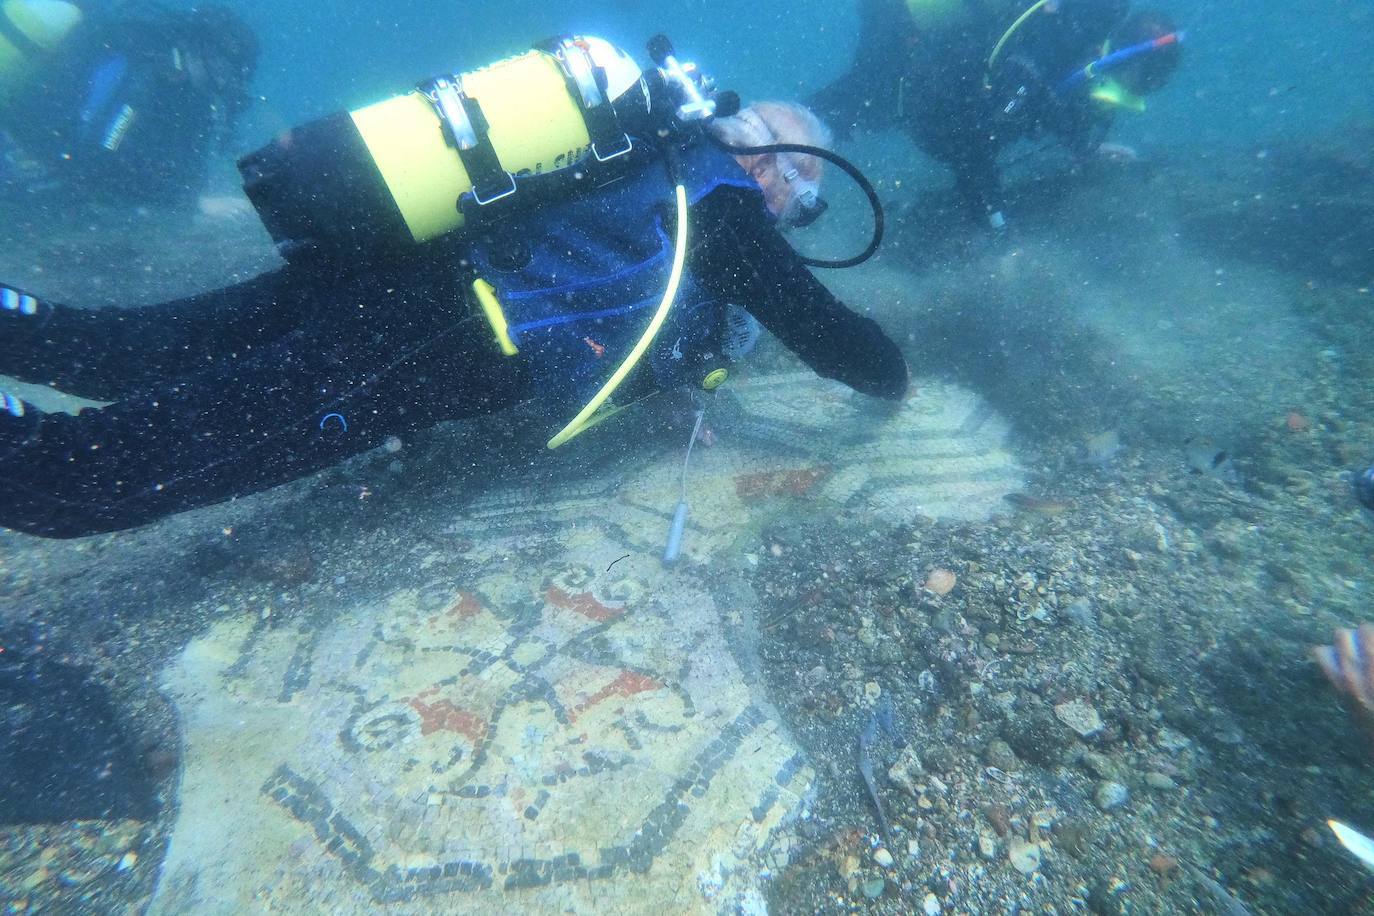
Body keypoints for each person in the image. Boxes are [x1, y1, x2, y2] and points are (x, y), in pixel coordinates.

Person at [0, 37, 909, 539]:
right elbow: (830, 337)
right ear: (773, 164)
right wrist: (899, 380)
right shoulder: (720, 205)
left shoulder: (637, 155)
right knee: (78, 482)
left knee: (123, 348)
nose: (798, 206)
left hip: (398, 262)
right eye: (804, 186)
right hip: (440, 331)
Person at [810, 0, 1181, 230]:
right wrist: (995, 224)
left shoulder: (1067, 41)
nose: (1143, 89)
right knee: (858, 104)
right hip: (902, 28)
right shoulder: (1046, 53)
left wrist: (1085, 149)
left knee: (863, 105)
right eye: (1144, 78)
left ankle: (782, 145)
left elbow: (1046, 100)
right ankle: (770, 147)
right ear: (1123, 56)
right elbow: (975, 142)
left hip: (923, 46)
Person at [0, 0, 258, 206]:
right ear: (204, 50)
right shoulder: (145, 68)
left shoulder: (180, 85)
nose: (225, 84)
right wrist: (193, 202)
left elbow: (180, 162)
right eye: (226, 71)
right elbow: (97, 158)